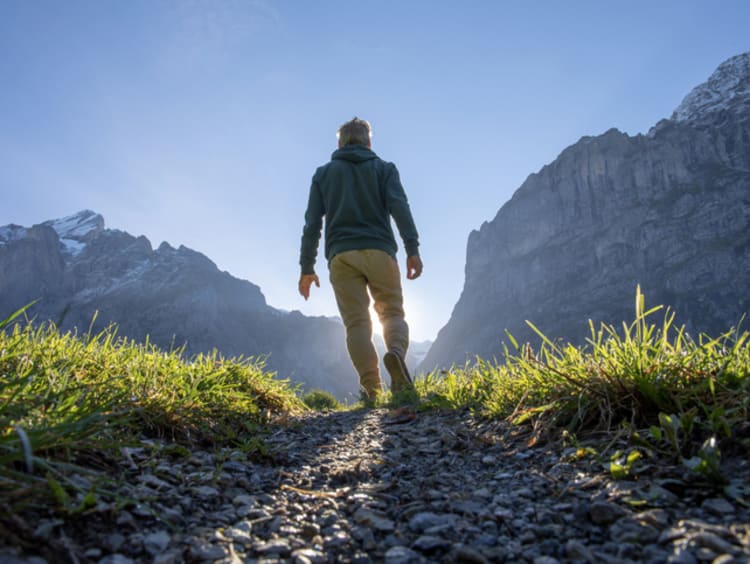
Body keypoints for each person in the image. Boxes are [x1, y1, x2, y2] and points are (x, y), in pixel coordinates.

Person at [298, 117, 423, 401]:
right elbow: (399, 208)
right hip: (379, 250)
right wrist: (412, 249)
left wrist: (307, 267)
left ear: (340, 144)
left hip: (341, 256)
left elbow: (312, 224)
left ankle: (372, 390)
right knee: (391, 313)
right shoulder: (384, 169)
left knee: (357, 324)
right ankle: (396, 355)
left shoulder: (323, 174)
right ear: (369, 142)